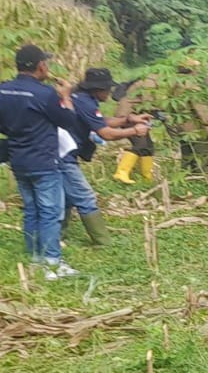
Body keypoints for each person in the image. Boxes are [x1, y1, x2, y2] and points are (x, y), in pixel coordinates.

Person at [0, 44, 79, 279]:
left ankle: (35, 257)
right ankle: (52, 262)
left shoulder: (3, 90)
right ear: (41, 66)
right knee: (51, 212)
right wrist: (65, 97)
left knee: (31, 210)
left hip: (19, 160)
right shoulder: (45, 94)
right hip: (44, 161)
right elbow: (68, 121)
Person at [64, 68, 150, 245]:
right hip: (63, 156)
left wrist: (128, 120)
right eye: (107, 88)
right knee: (85, 196)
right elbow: (106, 133)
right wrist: (134, 130)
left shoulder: (81, 98)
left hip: (62, 153)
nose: (110, 92)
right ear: (97, 89)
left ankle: (58, 235)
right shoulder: (85, 102)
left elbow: (99, 121)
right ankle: (103, 242)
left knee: (66, 196)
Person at [165, 58, 208, 174]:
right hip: (195, 128)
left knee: (186, 153)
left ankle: (186, 176)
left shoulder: (175, 85)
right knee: (202, 152)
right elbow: (201, 109)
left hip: (181, 126)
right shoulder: (192, 86)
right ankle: (201, 178)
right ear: (193, 70)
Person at [112, 75, 159, 184]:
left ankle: (147, 177)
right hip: (128, 117)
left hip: (137, 117)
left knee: (148, 147)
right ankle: (121, 172)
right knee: (141, 145)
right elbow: (148, 101)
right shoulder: (150, 80)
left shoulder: (153, 79)